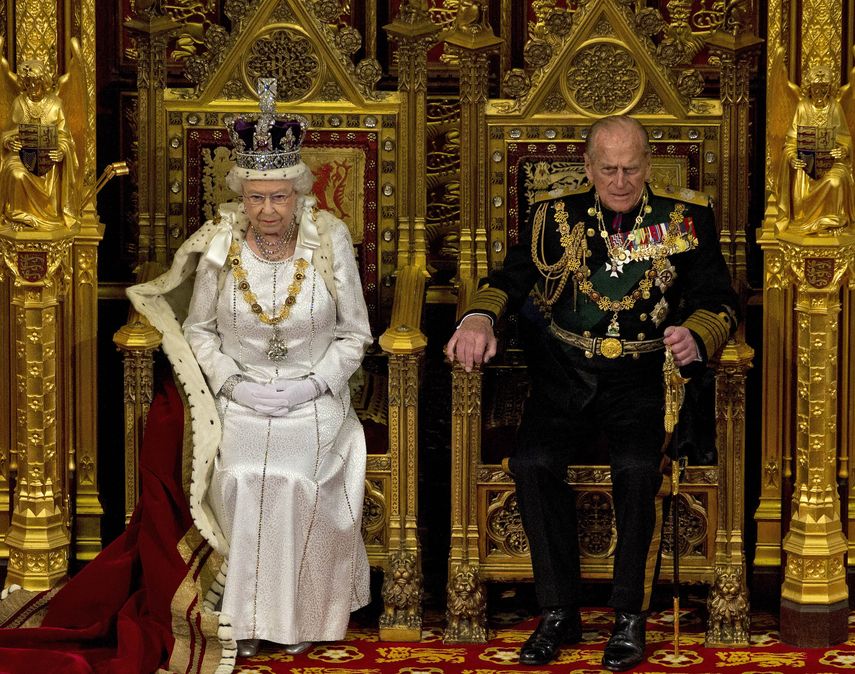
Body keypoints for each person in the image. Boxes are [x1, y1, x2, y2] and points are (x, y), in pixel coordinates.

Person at [446, 115, 736, 671]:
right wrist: (480, 317)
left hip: (643, 378)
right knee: (531, 462)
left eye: (631, 168)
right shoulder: (554, 217)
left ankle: (629, 615)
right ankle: (559, 611)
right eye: (608, 169)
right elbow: (508, 280)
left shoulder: (685, 220)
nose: (621, 180)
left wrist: (696, 334)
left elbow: (719, 300)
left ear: (649, 165)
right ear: (588, 167)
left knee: (634, 468)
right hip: (564, 375)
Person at [128, 81, 372, 659]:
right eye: (257, 197)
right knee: (239, 478)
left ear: (299, 192)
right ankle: (242, 621)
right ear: (241, 193)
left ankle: (300, 618)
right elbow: (199, 331)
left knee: (294, 479)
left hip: (314, 398)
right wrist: (234, 383)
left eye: (279, 197)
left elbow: (355, 333)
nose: (268, 210)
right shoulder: (220, 243)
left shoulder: (329, 239)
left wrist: (311, 384)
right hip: (238, 400)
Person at [0, 57, 80, 230]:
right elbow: (7, 133)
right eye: (29, 83)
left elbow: (65, 136)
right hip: (21, 156)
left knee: (49, 170)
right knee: (16, 174)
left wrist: (61, 150)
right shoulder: (19, 103)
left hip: (47, 160)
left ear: (44, 82)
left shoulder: (55, 104)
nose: (33, 88)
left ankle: (49, 216)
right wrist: (9, 142)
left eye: (37, 83)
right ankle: (19, 217)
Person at [776, 62, 855, 234]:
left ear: (830, 88)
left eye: (824, 88)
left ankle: (833, 223)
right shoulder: (802, 108)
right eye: (816, 88)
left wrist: (843, 151)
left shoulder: (835, 108)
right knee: (801, 194)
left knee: (837, 181)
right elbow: (790, 143)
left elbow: (846, 141)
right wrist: (792, 158)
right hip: (806, 166)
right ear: (809, 88)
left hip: (832, 164)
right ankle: (806, 221)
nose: (819, 92)